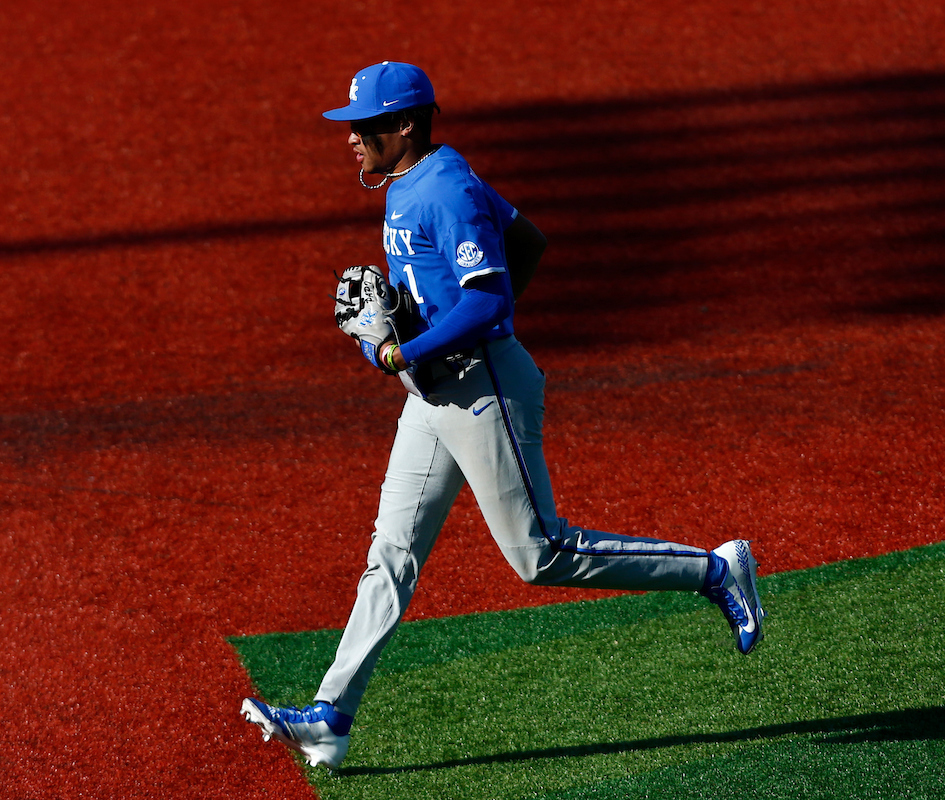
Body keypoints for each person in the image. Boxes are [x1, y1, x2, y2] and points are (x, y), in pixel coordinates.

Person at [241, 61, 765, 770]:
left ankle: (714, 570)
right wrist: (418, 344)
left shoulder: (446, 189)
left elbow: (490, 303)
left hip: (482, 386)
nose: (351, 138)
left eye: (363, 127)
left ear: (403, 126)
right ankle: (331, 716)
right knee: (391, 552)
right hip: (435, 394)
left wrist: (402, 352)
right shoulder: (412, 182)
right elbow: (528, 243)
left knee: (540, 553)